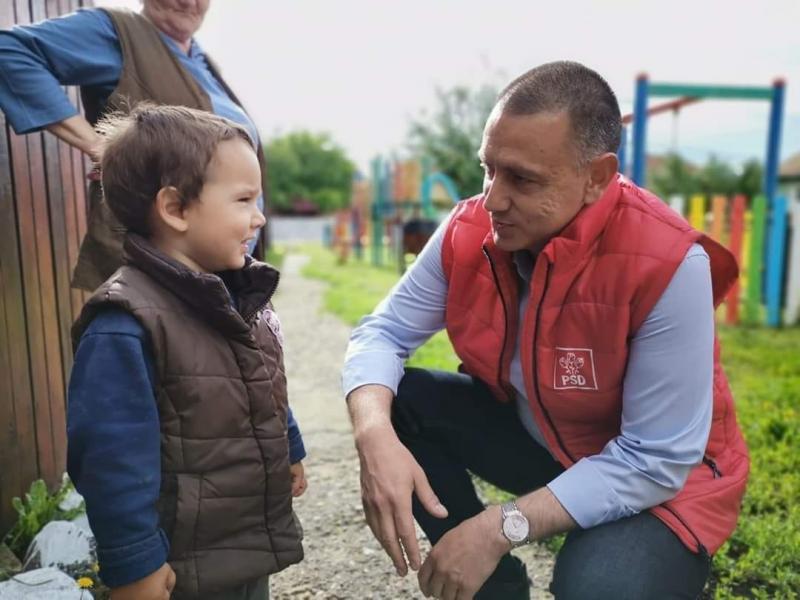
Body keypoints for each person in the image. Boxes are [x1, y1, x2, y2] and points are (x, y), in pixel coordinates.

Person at [343, 61, 749, 600]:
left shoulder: (670, 264)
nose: (492, 199)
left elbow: (656, 460)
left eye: (522, 178)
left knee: (600, 589)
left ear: (597, 177)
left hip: (663, 488)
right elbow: (383, 333)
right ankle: (496, 591)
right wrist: (374, 436)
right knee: (399, 401)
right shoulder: (471, 232)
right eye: (488, 169)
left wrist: (497, 529)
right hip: (548, 446)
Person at [67, 105, 305, 600]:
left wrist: (291, 446)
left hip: (237, 537)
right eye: (243, 199)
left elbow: (261, 380)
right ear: (175, 209)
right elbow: (111, 461)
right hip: (179, 559)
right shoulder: (125, 323)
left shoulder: (238, 293)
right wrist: (135, 565)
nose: (259, 216)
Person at [0, 0, 268, 291]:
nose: (189, 2)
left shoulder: (200, 59)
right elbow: (9, 51)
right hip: (162, 270)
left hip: (219, 270)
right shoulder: (117, 32)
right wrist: (102, 146)